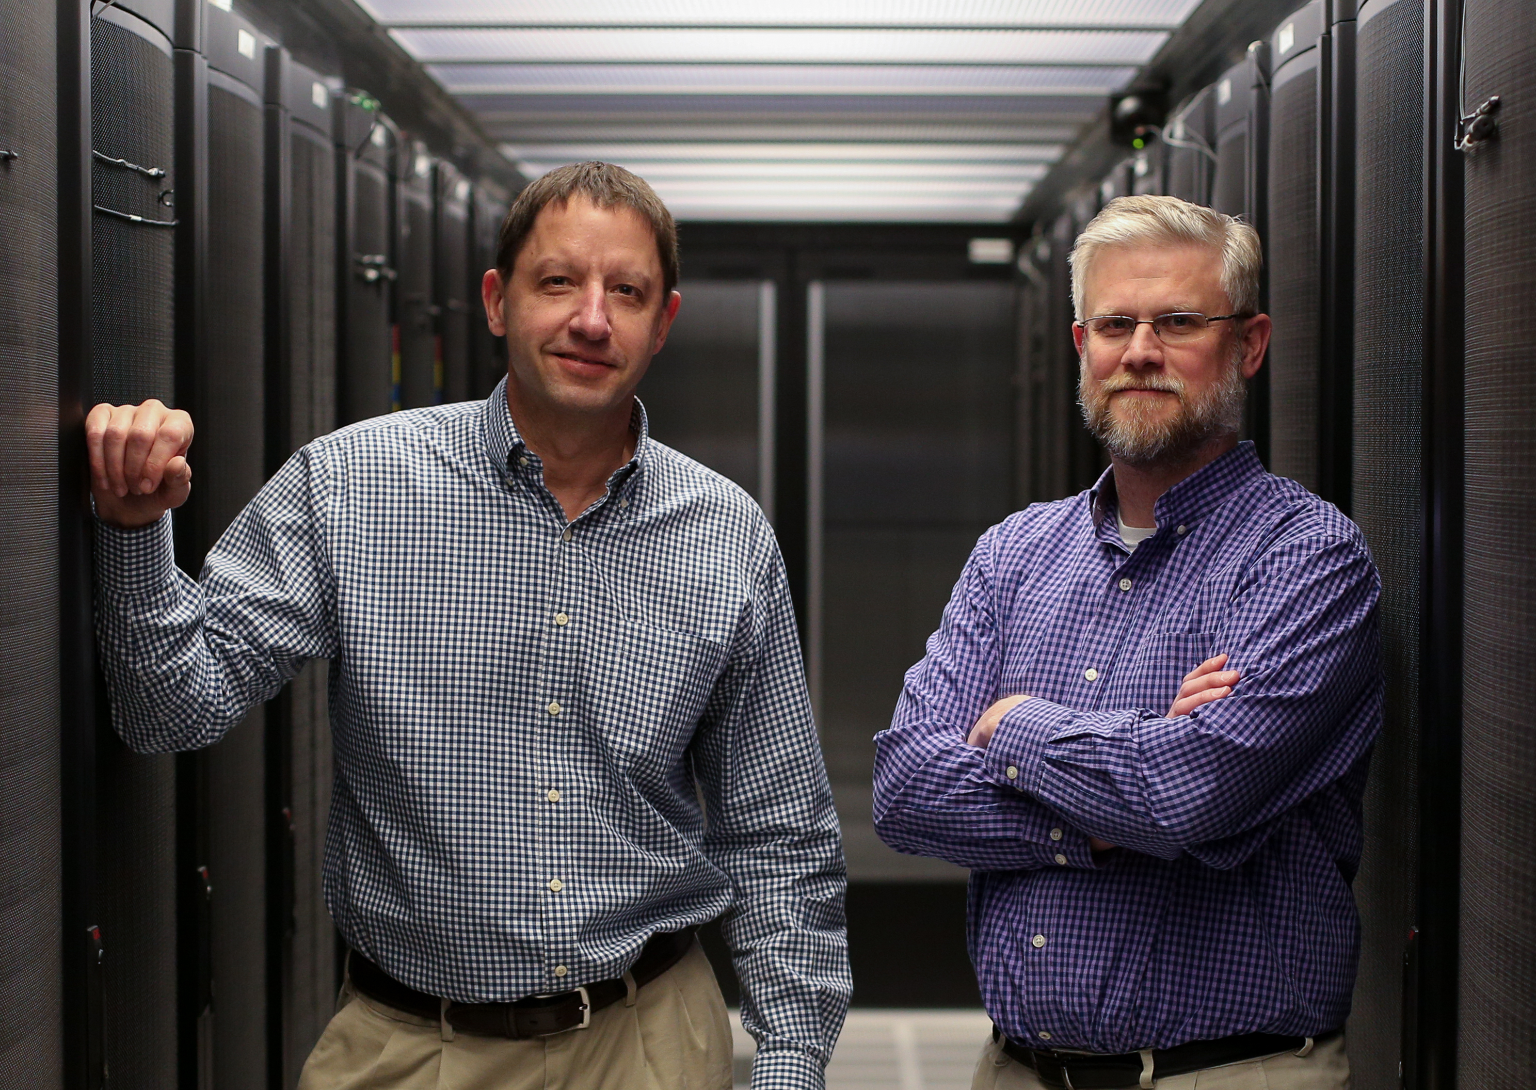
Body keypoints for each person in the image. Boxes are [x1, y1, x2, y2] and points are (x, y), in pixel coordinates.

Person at [87, 161, 849, 1090]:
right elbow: (172, 709)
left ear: (664, 324)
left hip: (650, 1046)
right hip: (412, 1049)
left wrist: (792, 1059)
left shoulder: (727, 535)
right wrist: (134, 530)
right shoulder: (352, 487)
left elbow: (780, 834)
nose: (592, 319)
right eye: (558, 282)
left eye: (628, 292)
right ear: (497, 301)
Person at [872, 195, 1380, 1090]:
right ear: (1082, 347)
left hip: (1225, 1073)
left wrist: (1017, 724)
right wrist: (1113, 810)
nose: (1140, 350)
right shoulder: (1015, 553)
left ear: (1249, 344)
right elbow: (907, 788)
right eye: (1115, 323)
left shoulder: (1309, 558)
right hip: (1018, 1069)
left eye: (1178, 321)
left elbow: (1189, 794)